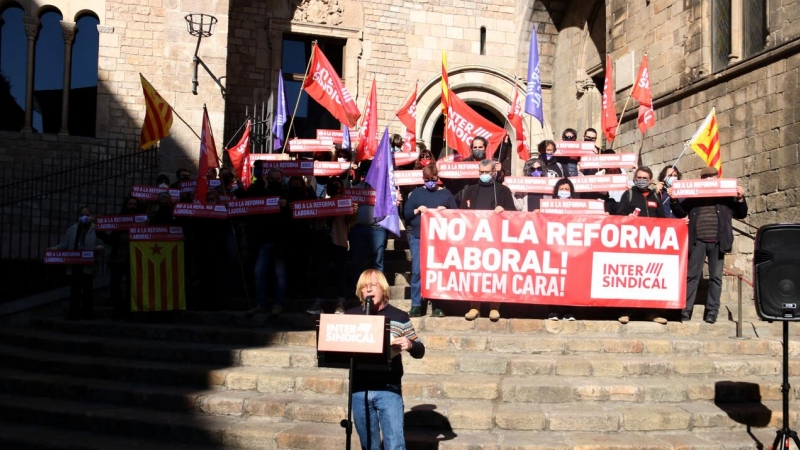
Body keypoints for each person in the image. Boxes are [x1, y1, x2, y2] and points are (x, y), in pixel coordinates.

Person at [346, 269, 425, 450]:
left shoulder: (399, 317)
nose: (368, 290)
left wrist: (410, 344)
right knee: (369, 446)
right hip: (359, 391)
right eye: (364, 287)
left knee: (395, 445)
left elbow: (419, 349)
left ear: (383, 289)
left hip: (388, 389)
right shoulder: (351, 316)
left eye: (372, 286)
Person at [669, 166, 748, 323]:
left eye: (711, 177)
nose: (708, 180)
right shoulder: (693, 197)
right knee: (692, 276)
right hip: (697, 241)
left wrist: (740, 198)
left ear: (717, 178)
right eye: (705, 178)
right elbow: (680, 212)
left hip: (718, 242)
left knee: (716, 278)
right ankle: (686, 310)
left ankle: (712, 311)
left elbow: (741, 213)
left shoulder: (726, 197)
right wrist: (673, 199)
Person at [459, 159, 516, 321]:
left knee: (494, 273)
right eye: (481, 172)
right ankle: (474, 306)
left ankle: (494, 306)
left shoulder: (503, 191)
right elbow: (462, 213)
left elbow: (513, 214)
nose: (484, 175)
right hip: (474, 240)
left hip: (496, 240)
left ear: (494, 173)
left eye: (487, 173)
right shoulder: (470, 191)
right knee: (474, 274)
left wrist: (504, 210)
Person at [613, 166, 668, 324]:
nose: (642, 180)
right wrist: (627, 217)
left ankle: (652, 312)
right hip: (633, 245)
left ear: (650, 180)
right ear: (635, 178)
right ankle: (626, 311)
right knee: (631, 279)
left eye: (645, 178)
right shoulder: (628, 194)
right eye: (639, 177)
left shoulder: (655, 197)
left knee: (651, 279)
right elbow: (619, 216)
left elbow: (663, 220)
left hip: (652, 246)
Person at [403, 164, 457, 318]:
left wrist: (446, 212)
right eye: (427, 180)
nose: (431, 182)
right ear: (423, 179)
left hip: (439, 240)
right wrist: (417, 210)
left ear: (438, 178)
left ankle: (438, 306)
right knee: (417, 271)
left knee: (437, 271)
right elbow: (406, 213)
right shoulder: (416, 194)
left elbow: (457, 214)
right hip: (418, 237)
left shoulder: (446, 194)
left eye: (433, 179)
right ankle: (416, 305)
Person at [245, 167, 290, 316]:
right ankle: (261, 304)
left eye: (277, 179)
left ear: (281, 179)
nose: (275, 181)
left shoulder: (287, 193)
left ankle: (279, 304)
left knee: (280, 276)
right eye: (272, 179)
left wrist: (287, 206)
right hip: (263, 240)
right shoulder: (261, 193)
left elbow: (301, 208)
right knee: (258, 273)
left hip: (281, 242)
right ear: (267, 179)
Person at [51, 206, 104, 320]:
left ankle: (87, 314)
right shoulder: (72, 229)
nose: (85, 217)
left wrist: (99, 247)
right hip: (75, 264)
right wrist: (52, 250)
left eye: (87, 214)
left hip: (88, 264)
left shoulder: (96, 229)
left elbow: (102, 243)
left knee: (88, 291)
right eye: (82, 214)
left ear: (91, 216)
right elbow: (64, 244)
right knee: (75, 290)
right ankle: (74, 314)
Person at [101, 196, 141, 319]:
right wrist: (100, 232)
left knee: (131, 287)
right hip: (117, 259)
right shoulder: (119, 222)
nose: (132, 207)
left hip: (133, 260)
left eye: (134, 204)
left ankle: (129, 311)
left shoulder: (141, 221)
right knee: (114, 286)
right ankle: (118, 310)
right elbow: (111, 240)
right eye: (130, 204)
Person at [544, 179, 578, 321]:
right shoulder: (549, 204)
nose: (564, 191)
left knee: (571, 280)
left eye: (566, 189)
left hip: (572, 247)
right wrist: (539, 213)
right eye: (561, 189)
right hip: (554, 248)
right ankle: (553, 310)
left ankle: (568, 310)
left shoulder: (579, 206)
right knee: (554, 279)